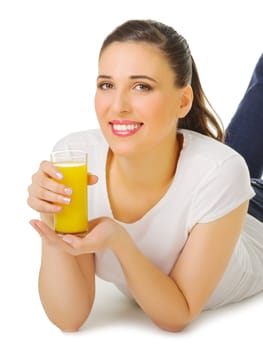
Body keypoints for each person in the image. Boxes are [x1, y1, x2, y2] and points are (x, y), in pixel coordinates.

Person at [27, 19, 263, 332]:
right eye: (107, 85)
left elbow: (176, 315)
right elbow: (69, 319)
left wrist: (120, 242)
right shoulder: (76, 161)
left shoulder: (220, 171)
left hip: (250, 221)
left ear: (183, 101)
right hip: (213, 192)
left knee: (227, 164)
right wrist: (51, 220)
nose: (118, 106)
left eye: (141, 86)